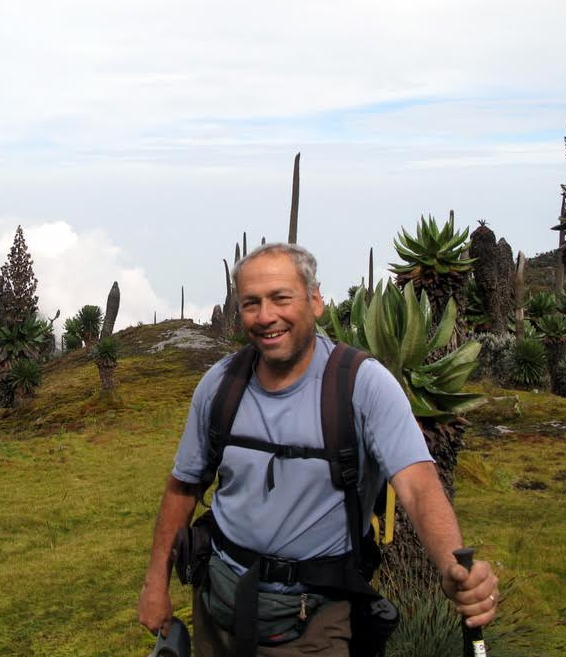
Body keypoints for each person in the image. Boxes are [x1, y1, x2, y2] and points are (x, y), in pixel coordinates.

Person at [137, 243, 499, 656]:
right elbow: (183, 488)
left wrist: (452, 565)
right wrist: (155, 584)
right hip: (218, 608)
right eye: (251, 303)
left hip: (312, 623)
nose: (266, 316)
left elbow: (418, 486)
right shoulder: (220, 385)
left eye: (280, 298)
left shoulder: (363, 386)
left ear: (315, 301)